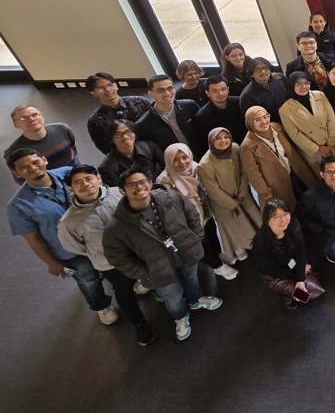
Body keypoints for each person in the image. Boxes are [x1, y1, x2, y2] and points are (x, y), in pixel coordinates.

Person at [103, 167, 223, 342]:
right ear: (122, 190)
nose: (139, 187)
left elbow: (192, 215)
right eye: (132, 185)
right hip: (156, 269)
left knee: (192, 279)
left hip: (185, 253)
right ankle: (180, 317)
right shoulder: (117, 226)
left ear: (150, 183)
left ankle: (196, 301)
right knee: (172, 297)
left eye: (143, 182)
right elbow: (117, 257)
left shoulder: (170, 198)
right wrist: (144, 273)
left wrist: (195, 239)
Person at [6, 149, 118, 325]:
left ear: (44, 159)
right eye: (25, 167)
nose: (33, 168)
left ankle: (123, 285)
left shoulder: (67, 174)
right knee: (88, 279)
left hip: (97, 236)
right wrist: (51, 262)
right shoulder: (18, 206)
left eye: (35, 162)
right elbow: (33, 238)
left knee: (112, 266)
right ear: (16, 173)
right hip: (69, 251)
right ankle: (101, 306)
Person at [59, 165, 154, 345]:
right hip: (110, 263)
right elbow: (75, 247)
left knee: (149, 274)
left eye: (88, 178)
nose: (85, 184)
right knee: (124, 292)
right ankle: (139, 323)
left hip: (138, 250)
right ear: (71, 188)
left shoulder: (119, 193)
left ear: (99, 178)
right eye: (77, 182)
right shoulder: (69, 221)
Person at [157, 143, 238, 280]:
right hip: (189, 219)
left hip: (205, 210)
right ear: (168, 161)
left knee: (212, 233)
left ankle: (219, 254)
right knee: (202, 241)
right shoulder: (165, 180)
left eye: (184, 157)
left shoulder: (195, 167)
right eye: (175, 160)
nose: (182, 162)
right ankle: (217, 266)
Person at [197, 128, 261, 266]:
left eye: (226, 137)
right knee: (236, 229)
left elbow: (244, 171)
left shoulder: (235, 148)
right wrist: (232, 202)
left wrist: (243, 191)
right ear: (211, 142)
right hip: (224, 204)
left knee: (255, 222)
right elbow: (213, 191)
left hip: (243, 196)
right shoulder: (204, 165)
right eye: (218, 138)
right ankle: (241, 249)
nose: (223, 141)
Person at [239, 106, 318, 211]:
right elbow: (253, 174)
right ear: (250, 123)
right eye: (257, 120)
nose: (263, 121)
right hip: (277, 184)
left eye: (265, 116)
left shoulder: (277, 128)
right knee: (292, 211)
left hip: (296, 173)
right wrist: (265, 193)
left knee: (311, 203)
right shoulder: (247, 147)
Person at [251, 199, 325, 309]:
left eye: (285, 214)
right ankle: (284, 295)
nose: (283, 220)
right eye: (276, 216)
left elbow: (301, 251)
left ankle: (295, 288)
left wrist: (300, 278)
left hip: (292, 264)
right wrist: (299, 274)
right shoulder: (261, 245)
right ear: (267, 221)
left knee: (315, 282)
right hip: (275, 277)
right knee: (304, 296)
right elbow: (274, 271)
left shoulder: (293, 225)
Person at [279, 72, 335, 174]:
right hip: (313, 151)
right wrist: (317, 149)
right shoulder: (285, 109)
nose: (303, 87)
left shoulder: (320, 95)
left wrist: (331, 141)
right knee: (324, 176)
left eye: (306, 83)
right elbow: (295, 134)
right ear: (291, 85)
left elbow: (331, 117)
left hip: (331, 144)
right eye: (298, 84)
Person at [85, 72, 151, 155]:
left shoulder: (140, 102)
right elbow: (104, 147)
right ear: (93, 93)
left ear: (116, 86)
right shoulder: (95, 121)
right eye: (101, 89)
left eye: (110, 85)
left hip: (153, 147)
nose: (108, 90)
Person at [135, 74, 201, 154]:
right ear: (151, 93)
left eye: (170, 88)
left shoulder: (190, 106)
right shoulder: (144, 124)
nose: (167, 93)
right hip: (176, 164)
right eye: (161, 90)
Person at [5, 105, 79, 175]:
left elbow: (73, 149)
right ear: (15, 124)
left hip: (76, 172)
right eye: (23, 118)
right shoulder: (13, 152)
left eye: (34, 114)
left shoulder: (62, 128)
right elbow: (21, 178)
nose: (32, 119)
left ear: (42, 116)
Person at [97, 119, 164, 187]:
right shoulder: (107, 167)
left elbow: (167, 166)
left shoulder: (148, 146)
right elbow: (117, 192)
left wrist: (153, 179)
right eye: (118, 134)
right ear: (111, 139)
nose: (125, 137)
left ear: (134, 133)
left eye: (128, 131)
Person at [194, 74, 247, 154]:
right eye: (215, 91)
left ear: (228, 90)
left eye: (223, 89)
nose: (220, 93)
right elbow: (206, 144)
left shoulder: (240, 103)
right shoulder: (202, 116)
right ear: (208, 93)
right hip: (223, 153)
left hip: (246, 146)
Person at [240, 58, 288, 124]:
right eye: (258, 70)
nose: (263, 72)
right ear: (251, 74)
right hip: (271, 127)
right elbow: (252, 121)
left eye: (265, 68)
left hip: (289, 121)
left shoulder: (279, 79)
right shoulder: (247, 96)